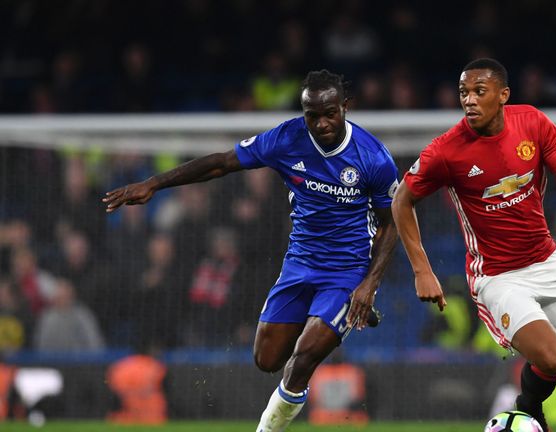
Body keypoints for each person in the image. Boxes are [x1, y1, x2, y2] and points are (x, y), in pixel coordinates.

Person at [103, 69, 399, 432]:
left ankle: (267, 426)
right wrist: (154, 183)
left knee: (303, 358)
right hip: (301, 264)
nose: (321, 123)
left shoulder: (373, 157)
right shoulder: (287, 138)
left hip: (347, 270)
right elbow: (222, 164)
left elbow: (391, 222)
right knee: (267, 359)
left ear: (345, 108)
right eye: (312, 115)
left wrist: (369, 283)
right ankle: (335, 318)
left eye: (329, 113)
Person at [392, 58, 556, 432]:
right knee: (553, 359)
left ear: (503, 95)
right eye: (463, 93)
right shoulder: (447, 151)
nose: (469, 100)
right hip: (498, 276)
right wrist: (422, 269)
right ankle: (523, 411)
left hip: (547, 261)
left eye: (478, 92)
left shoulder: (532, 122)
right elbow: (401, 200)